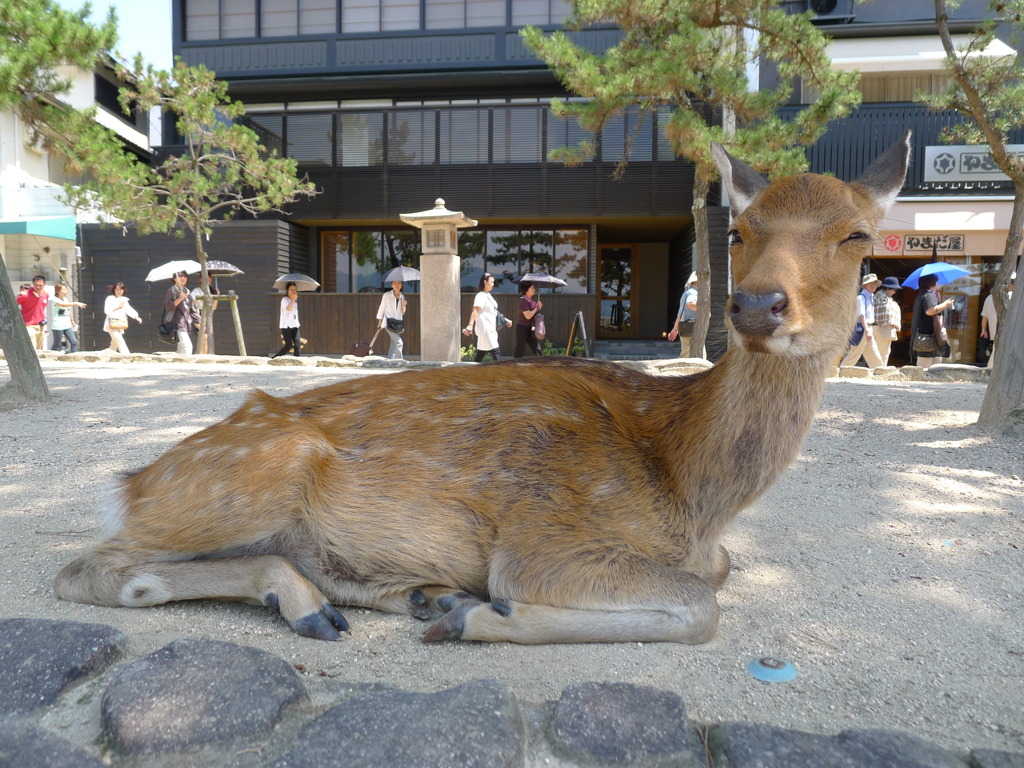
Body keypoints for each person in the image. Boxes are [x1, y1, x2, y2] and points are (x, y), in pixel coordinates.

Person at [910, 273, 955, 369]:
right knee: (927, 369)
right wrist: (945, 305)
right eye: (936, 282)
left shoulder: (921, 295)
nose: (938, 284)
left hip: (924, 338)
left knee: (930, 366)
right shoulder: (929, 295)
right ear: (932, 283)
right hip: (928, 339)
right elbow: (930, 311)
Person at [464, 272, 510, 362]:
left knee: (481, 353)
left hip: (490, 328)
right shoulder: (480, 295)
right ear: (485, 282)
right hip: (485, 329)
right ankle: (502, 372)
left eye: (493, 282)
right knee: (496, 351)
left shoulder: (488, 295)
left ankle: (471, 372)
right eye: (491, 282)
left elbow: (494, 312)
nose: (493, 284)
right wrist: (470, 325)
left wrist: (506, 320)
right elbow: (475, 310)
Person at [840, 273, 883, 369]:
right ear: (865, 285)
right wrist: (867, 329)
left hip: (868, 327)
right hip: (864, 327)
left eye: (875, 283)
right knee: (855, 353)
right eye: (871, 283)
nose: (873, 285)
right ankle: (842, 370)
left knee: (872, 351)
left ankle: (879, 370)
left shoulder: (870, 296)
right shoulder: (861, 298)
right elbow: (861, 315)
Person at [980, 271, 1014, 369]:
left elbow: (984, 317)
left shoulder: (989, 298)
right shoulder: (1012, 296)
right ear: (1010, 285)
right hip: (1009, 332)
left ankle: (990, 373)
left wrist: (984, 330)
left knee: (996, 352)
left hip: (994, 332)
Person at [164, 271, 201, 355]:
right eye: (180, 276)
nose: (183, 278)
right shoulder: (171, 291)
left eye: (185, 276)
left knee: (181, 350)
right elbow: (168, 307)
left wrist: (199, 320)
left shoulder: (187, 292)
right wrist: (180, 298)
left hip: (186, 323)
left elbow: (191, 310)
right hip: (176, 322)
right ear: (174, 279)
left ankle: (177, 366)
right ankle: (187, 367)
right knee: (188, 347)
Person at [103, 282, 143, 353]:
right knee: (119, 340)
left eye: (121, 290)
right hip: (111, 323)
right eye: (117, 290)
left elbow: (129, 309)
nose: (119, 291)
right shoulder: (110, 299)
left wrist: (136, 317)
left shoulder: (124, 300)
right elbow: (107, 310)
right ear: (114, 290)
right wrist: (118, 307)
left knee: (114, 344)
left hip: (120, 324)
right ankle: (126, 356)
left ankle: (107, 355)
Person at [871, 276, 902, 367]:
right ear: (888, 288)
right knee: (883, 351)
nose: (895, 291)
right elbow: (886, 312)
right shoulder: (883, 297)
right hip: (883, 327)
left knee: (883, 351)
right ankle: (880, 369)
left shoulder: (881, 296)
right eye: (894, 289)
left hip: (881, 326)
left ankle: (879, 368)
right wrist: (893, 322)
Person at [667, 271, 699, 358]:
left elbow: (680, 315)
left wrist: (675, 329)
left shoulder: (687, 293)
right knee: (696, 356)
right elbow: (691, 303)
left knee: (686, 354)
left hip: (686, 329)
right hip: (693, 329)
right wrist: (705, 310)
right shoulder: (693, 292)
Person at [50, 283, 86, 353]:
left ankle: (74, 356)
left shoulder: (65, 299)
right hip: (57, 325)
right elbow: (63, 305)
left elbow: (67, 310)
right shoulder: (54, 299)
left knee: (74, 341)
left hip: (67, 324)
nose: (65, 291)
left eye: (66, 289)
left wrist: (72, 321)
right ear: (58, 291)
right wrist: (76, 303)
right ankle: (50, 357)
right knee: (57, 344)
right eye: (63, 289)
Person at [375, 279, 407, 360]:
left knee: (393, 343)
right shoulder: (387, 295)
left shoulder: (402, 296)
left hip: (398, 323)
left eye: (399, 283)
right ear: (392, 285)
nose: (397, 285)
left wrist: (404, 305)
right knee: (399, 343)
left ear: (401, 285)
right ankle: (399, 362)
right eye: (395, 283)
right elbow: (381, 308)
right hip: (388, 322)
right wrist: (380, 321)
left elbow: (402, 312)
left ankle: (390, 359)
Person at [16, 275, 49, 350]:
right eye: (36, 285)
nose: (38, 287)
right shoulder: (25, 295)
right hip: (28, 325)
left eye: (40, 285)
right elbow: (12, 304)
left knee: (38, 349)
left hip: (40, 325)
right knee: (32, 347)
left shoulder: (45, 295)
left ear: (44, 285)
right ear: (32, 284)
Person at [272, 282, 301, 358]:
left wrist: (294, 300)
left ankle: (296, 361)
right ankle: (275, 358)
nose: (293, 291)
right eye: (291, 289)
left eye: (294, 289)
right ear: (287, 290)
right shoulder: (284, 299)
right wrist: (293, 300)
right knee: (288, 346)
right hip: (286, 326)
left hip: (295, 325)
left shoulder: (295, 302)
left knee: (298, 345)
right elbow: (288, 309)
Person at [514, 281, 543, 357]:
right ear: (526, 289)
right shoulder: (523, 301)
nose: (534, 289)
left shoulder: (532, 302)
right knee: (520, 350)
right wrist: (536, 308)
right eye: (532, 288)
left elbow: (534, 315)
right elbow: (528, 316)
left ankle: (542, 364)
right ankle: (514, 366)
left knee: (537, 349)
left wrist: (538, 308)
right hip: (522, 329)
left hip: (531, 329)